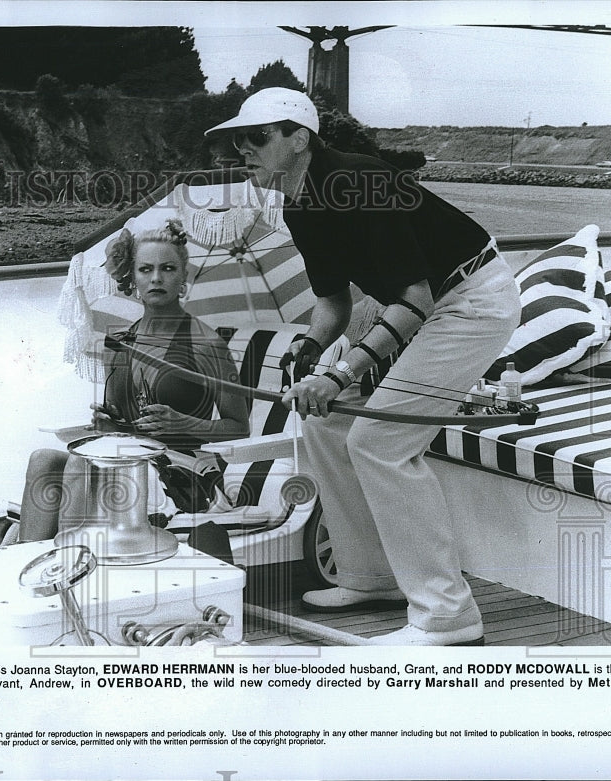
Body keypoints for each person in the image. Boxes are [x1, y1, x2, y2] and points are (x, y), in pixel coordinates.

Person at [205, 88, 522, 646]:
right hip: (434, 304)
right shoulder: (298, 203)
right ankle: (370, 576)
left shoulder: (358, 182)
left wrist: (341, 373)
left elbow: (414, 299)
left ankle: (447, 614)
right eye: (238, 139)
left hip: (473, 300)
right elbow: (333, 305)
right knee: (327, 423)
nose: (242, 149)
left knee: (380, 441)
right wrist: (306, 355)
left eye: (256, 136)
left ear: (299, 139)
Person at [18, 219, 249, 542]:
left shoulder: (206, 344)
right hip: (131, 459)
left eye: (167, 268)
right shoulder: (121, 342)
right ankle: (33, 562)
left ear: (183, 276)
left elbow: (239, 426)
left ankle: (67, 568)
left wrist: (183, 423)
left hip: (182, 475)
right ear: (133, 277)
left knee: (81, 466)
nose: (156, 278)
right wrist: (109, 423)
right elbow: (122, 427)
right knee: (43, 460)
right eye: (145, 270)